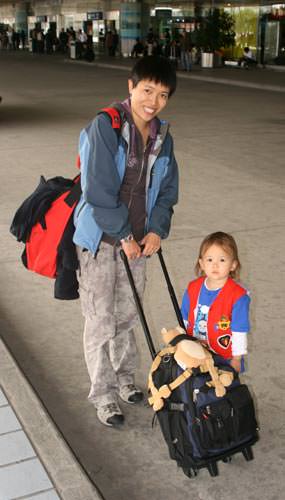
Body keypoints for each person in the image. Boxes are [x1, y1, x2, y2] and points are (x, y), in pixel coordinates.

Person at [73, 56, 178, 427]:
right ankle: (102, 394)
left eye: (163, 94)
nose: (154, 101)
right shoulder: (105, 127)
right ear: (130, 87)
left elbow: (167, 190)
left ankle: (126, 380)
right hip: (102, 241)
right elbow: (98, 190)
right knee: (100, 319)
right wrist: (123, 236)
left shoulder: (162, 137)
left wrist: (156, 229)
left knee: (127, 314)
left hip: (138, 242)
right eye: (147, 90)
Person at [181, 232, 250, 373]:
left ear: (233, 265)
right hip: (196, 351)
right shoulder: (192, 288)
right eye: (210, 260)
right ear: (201, 263)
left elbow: (239, 331)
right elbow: (184, 318)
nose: (215, 265)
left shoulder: (238, 296)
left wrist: (236, 359)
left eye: (222, 260)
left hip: (224, 356)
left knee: (222, 389)